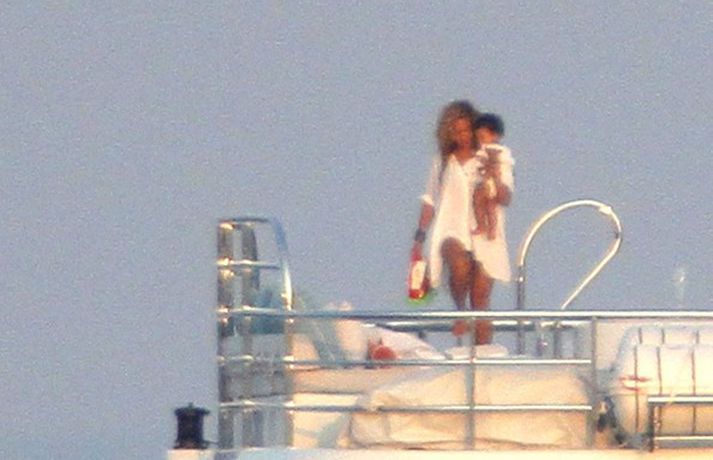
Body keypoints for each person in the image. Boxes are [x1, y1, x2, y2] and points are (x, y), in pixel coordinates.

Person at [411, 101, 514, 344]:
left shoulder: (494, 156)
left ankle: (483, 354)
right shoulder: (443, 161)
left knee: (480, 299)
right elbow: (430, 200)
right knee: (458, 264)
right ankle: (460, 311)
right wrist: (419, 237)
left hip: (486, 232)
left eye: (466, 130)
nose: (461, 136)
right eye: (455, 131)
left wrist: (493, 174)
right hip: (450, 228)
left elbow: (506, 197)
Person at [472, 113, 510, 241]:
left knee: (490, 205)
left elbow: (502, 164)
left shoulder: (499, 150)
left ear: (495, 135)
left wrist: (493, 167)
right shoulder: (480, 150)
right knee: (479, 201)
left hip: (493, 181)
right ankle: (482, 225)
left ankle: (491, 228)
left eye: (483, 137)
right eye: (478, 138)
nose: (480, 141)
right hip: (485, 181)